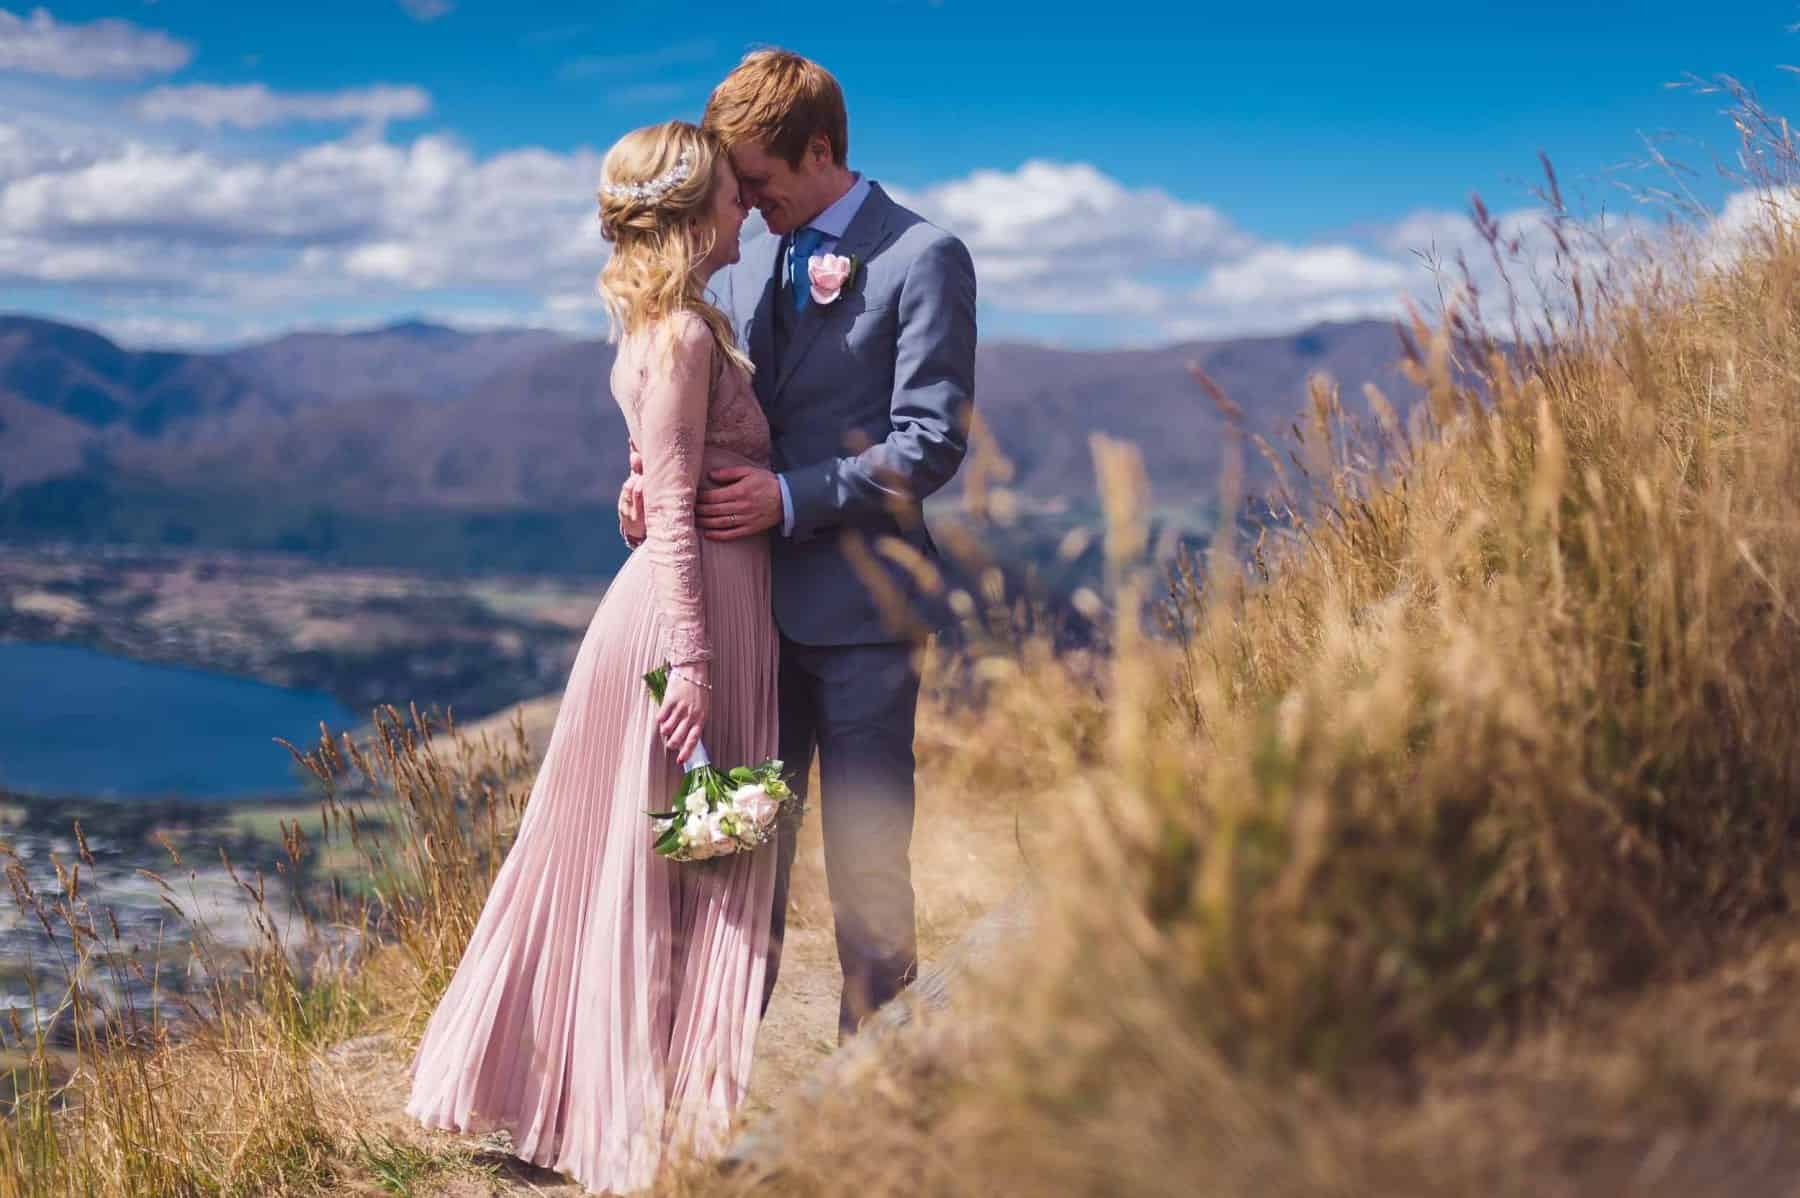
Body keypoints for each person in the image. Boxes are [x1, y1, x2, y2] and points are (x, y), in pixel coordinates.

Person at [406, 119, 778, 1195]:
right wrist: (698, 665)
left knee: (653, 869)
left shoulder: (669, 327)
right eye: (729, 193)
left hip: (690, 612)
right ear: (694, 212)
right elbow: (668, 502)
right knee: (689, 871)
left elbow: (654, 473)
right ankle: (634, 1133)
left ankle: (613, 1113)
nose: (745, 205)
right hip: (686, 624)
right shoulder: (687, 338)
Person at [621, 49, 978, 1042]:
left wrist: (787, 497)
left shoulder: (925, 257)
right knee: (733, 854)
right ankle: (698, 1088)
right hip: (752, 628)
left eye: (757, 181)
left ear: (820, 149)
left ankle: (870, 1099)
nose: (742, 202)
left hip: (864, 622)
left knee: (867, 866)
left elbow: (931, 444)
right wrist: (658, 470)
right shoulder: (765, 252)